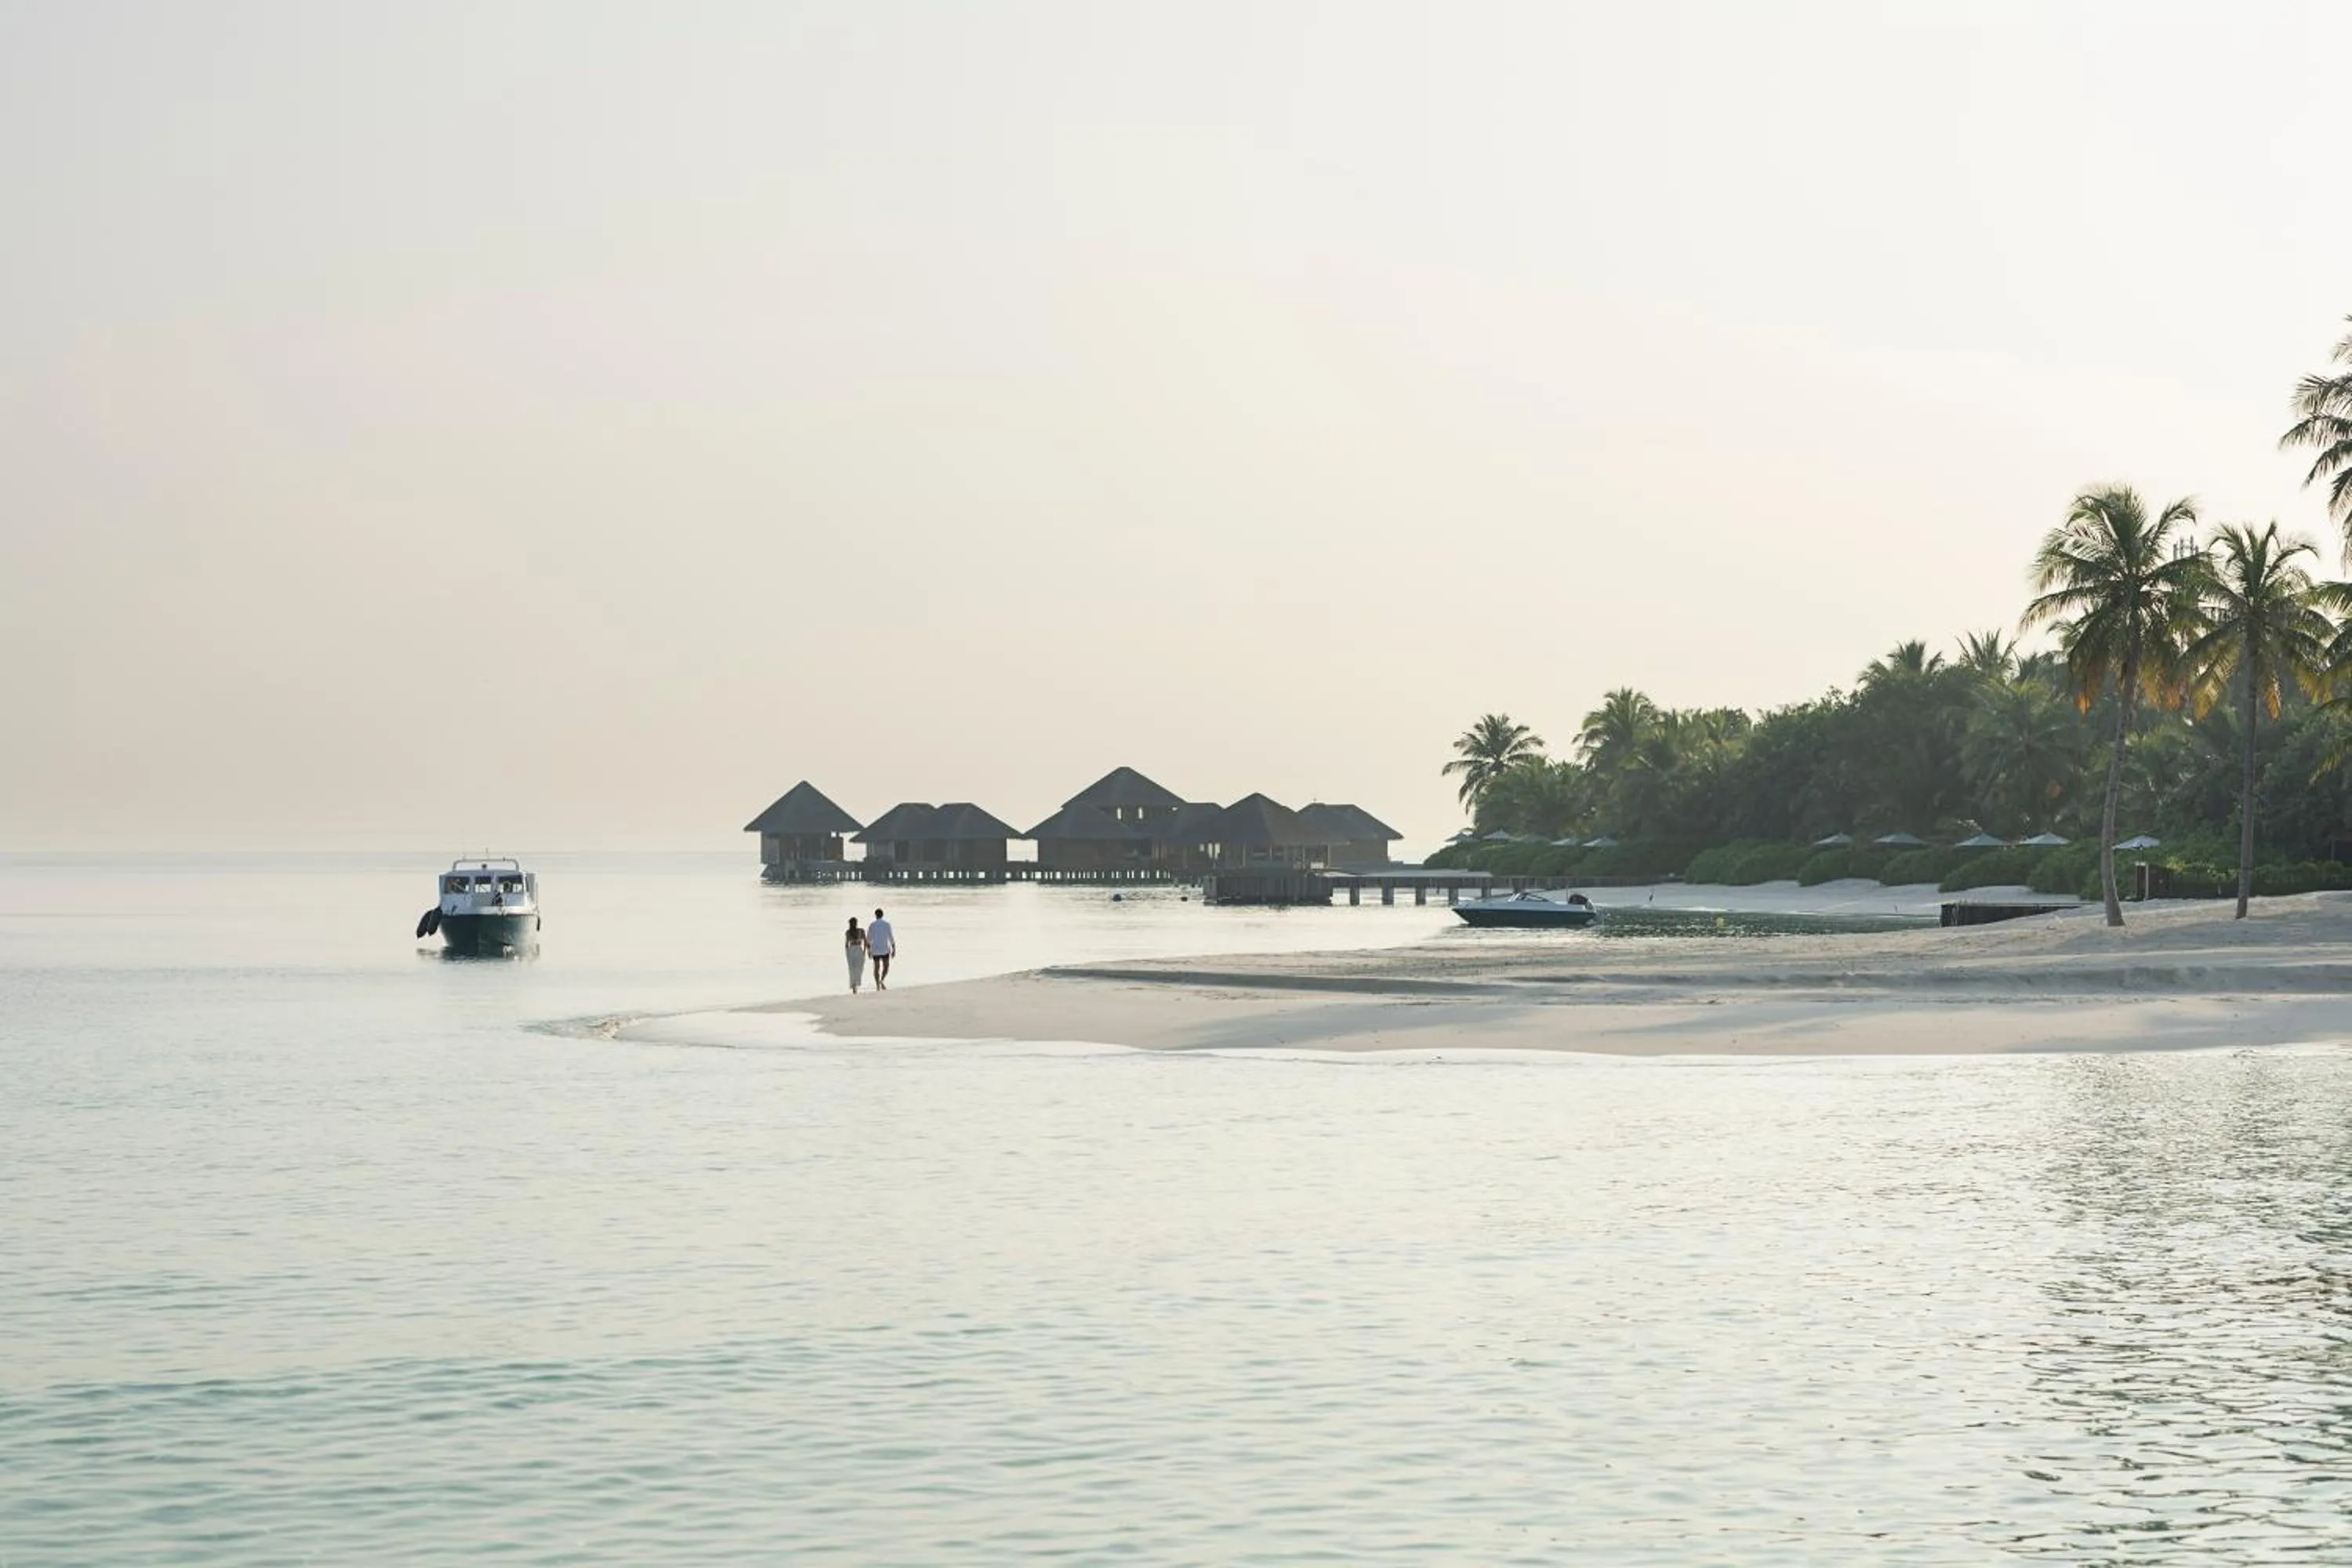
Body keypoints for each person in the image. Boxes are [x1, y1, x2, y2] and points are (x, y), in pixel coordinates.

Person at [867, 907, 896, 989]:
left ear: (875, 915)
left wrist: (869, 951)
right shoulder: (887, 924)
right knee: (886, 966)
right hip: (885, 949)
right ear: (882, 915)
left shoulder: (872, 925)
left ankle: (878, 983)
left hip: (875, 949)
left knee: (876, 967)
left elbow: (868, 939)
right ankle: (882, 980)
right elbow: (891, 937)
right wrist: (894, 949)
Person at [844, 916, 868, 993]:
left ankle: (854, 985)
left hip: (851, 950)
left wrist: (847, 953)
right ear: (856, 923)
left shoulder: (848, 932)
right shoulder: (861, 931)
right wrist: (864, 951)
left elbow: (846, 944)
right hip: (859, 949)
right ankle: (856, 984)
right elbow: (865, 942)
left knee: (852, 969)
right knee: (859, 968)